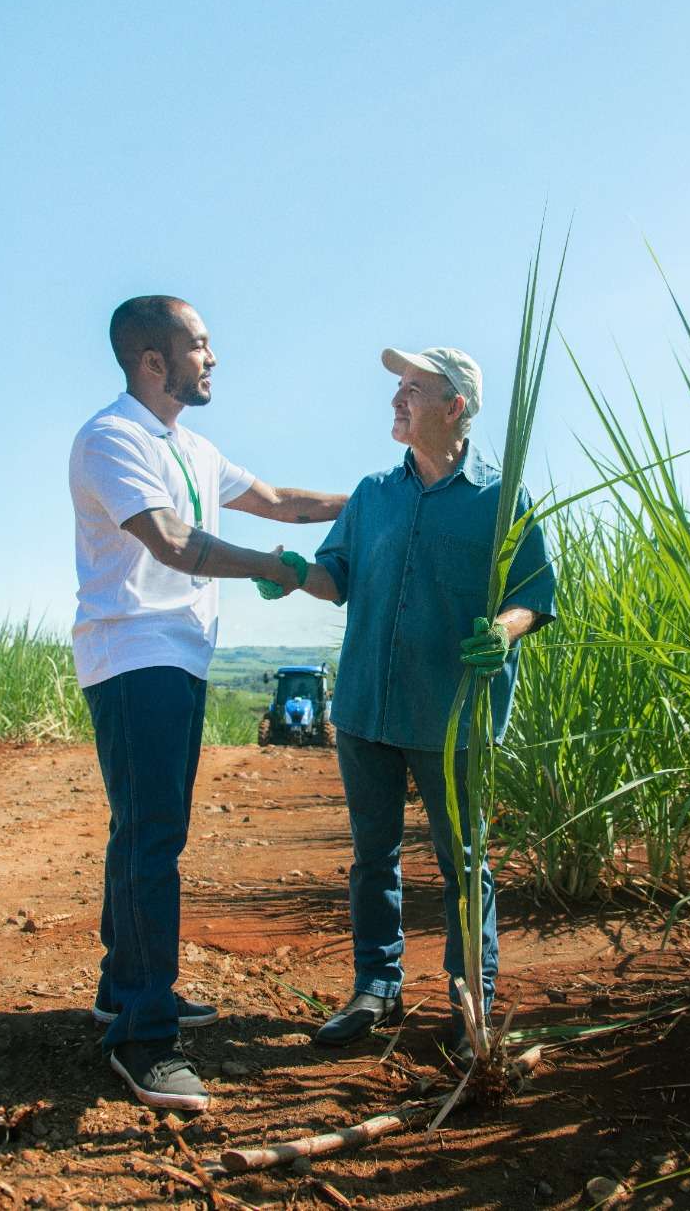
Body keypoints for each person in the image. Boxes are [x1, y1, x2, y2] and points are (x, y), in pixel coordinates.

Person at [69, 295, 346, 1111]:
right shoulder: (111, 439)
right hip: (134, 652)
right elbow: (173, 541)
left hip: (180, 654)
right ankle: (145, 1038)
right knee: (153, 836)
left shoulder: (190, 446)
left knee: (148, 829)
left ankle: (125, 990)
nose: (213, 356)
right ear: (153, 362)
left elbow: (284, 502)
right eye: (199, 345)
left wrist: (371, 498)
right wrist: (286, 569)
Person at [259, 345, 553, 1061]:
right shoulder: (372, 495)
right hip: (365, 706)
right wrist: (297, 573)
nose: (397, 399)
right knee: (372, 857)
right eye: (396, 386)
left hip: (450, 715)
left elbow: (534, 596)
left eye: (412, 389)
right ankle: (375, 986)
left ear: (454, 408)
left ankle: (469, 1002)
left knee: (465, 859)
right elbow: (339, 574)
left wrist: (505, 633)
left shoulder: (502, 499)